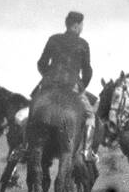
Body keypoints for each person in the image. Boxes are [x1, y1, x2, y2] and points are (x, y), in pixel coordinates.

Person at [35, 12, 97, 160]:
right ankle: (87, 151)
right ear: (77, 26)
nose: (82, 28)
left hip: (49, 84)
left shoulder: (53, 39)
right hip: (71, 86)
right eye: (82, 25)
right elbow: (87, 71)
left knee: (32, 108)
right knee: (90, 115)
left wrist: (48, 76)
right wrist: (82, 86)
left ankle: (25, 146)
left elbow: (41, 63)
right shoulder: (83, 44)